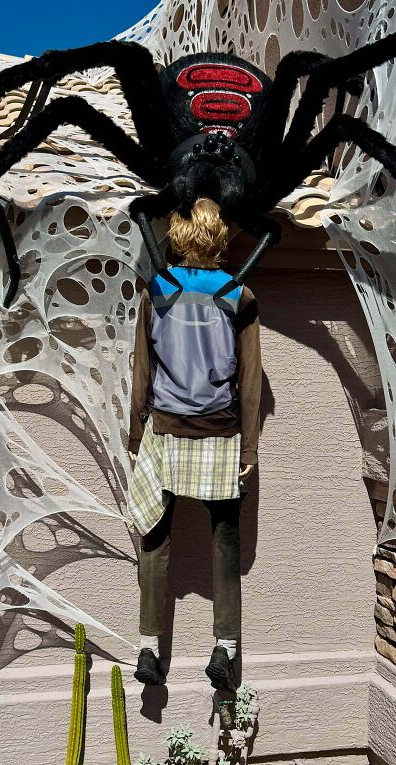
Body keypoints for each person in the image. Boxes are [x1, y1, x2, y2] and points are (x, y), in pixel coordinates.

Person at [127, 198, 261, 692]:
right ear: (219, 238)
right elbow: (251, 379)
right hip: (221, 432)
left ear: (179, 236)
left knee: (153, 537)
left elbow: (142, 367)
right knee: (225, 541)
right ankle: (225, 648)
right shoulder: (237, 293)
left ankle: (148, 647)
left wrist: (135, 431)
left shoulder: (158, 290)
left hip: (165, 428)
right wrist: (249, 449)